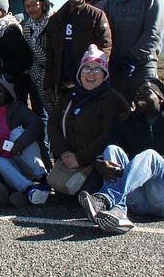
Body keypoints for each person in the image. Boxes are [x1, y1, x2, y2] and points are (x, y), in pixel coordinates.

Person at [78, 78, 164, 233]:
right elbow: (106, 148)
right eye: (137, 93)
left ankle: (106, 199)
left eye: (146, 92)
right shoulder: (126, 122)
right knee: (112, 149)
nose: (140, 96)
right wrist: (100, 163)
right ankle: (119, 213)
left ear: (160, 98)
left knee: (150, 156)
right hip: (137, 200)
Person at [47, 45, 129, 195]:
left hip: (98, 162)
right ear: (79, 73)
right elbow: (53, 123)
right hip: (70, 160)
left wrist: (80, 158)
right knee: (63, 195)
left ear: (105, 75)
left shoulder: (114, 101)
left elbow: (109, 135)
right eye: (86, 68)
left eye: (97, 69)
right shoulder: (70, 96)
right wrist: (64, 153)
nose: (90, 74)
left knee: (85, 193)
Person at [45, 0, 112, 107]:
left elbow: (105, 48)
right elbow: (50, 54)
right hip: (63, 84)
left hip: (89, 82)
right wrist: (49, 86)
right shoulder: (55, 19)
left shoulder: (96, 16)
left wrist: (94, 75)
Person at [0, 78, 50, 207]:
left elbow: (37, 123)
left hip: (23, 157)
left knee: (16, 132)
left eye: (0, 91)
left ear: (7, 94)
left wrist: (20, 143)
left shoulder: (16, 107)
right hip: (6, 164)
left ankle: (42, 178)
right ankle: (29, 189)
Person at [103, 0, 164, 102]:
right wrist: (115, 57)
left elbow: (153, 33)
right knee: (119, 108)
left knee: (148, 105)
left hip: (143, 65)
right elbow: (105, 33)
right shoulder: (110, 4)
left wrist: (132, 57)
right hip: (117, 65)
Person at [21, 0, 54, 136]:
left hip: (56, 74)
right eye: (27, 6)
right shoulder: (27, 27)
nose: (30, 9)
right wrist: (36, 75)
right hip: (39, 76)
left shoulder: (55, 22)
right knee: (48, 116)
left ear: (43, 4)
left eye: (34, 5)